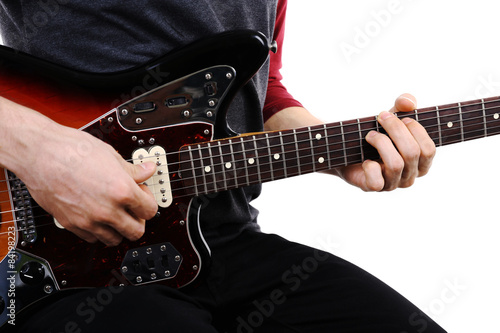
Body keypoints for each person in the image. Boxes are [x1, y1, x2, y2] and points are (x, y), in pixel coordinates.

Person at [0, 1, 443, 332]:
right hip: (63, 262)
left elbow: (262, 88)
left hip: (223, 242)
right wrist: (40, 152)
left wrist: (343, 151)